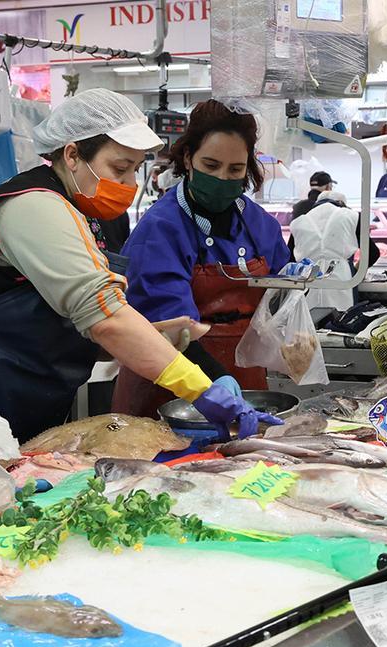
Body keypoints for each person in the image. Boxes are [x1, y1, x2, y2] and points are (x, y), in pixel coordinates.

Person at [0, 89, 278, 480]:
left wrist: (163, 337)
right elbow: (103, 318)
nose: (125, 185)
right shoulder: (34, 206)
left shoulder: (85, 214)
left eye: (134, 172)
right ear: (71, 155)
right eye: (118, 167)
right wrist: (200, 387)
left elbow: (73, 323)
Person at [116, 100, 292, 418]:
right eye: (211, 166)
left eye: (235, 169)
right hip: (170, 387)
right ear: (188, 158)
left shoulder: (258, 223)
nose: (223, 178)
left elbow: (276, 297)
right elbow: (166, 324)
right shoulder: (161, 229)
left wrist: (294, 285)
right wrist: (213, 377)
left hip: (244, 380)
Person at [291, 191, 359, 312]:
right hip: (341, 276)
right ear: (341, 203)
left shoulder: (299, 222)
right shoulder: (350, 216)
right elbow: (373, 252)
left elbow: (289, 258)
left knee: (309, 322)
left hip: (308, 277)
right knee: (341, 321)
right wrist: (357, 270)